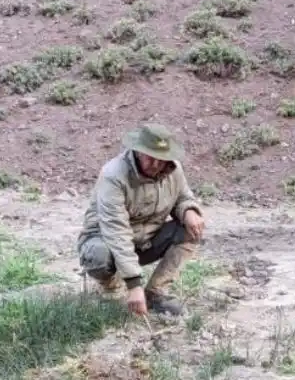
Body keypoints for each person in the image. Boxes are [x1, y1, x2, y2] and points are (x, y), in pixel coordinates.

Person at [77, 123, 205, 316]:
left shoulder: (174, 170)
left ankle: (155, 293)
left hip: (145, 242)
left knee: (190, 228)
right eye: (150, 158)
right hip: (109, 243)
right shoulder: (114, 175)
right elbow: (116, 232)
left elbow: (183, 197)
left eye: (161, 159)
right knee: (98, 256)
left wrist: (188, 211)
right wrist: (134, 284)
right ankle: (111, 287)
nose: (156, 165)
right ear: (137, 151)